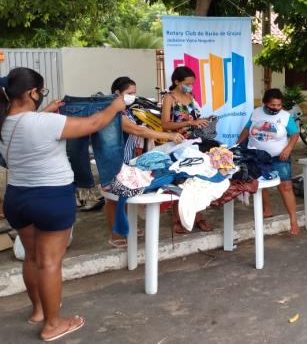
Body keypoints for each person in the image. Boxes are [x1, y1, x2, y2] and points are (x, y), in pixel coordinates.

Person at [0, 67, 125, 341]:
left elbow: (30, 124)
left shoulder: (6, 123)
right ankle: (53, 324)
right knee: (50, 262)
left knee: (33, 258)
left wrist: (49, 109)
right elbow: (93, 125)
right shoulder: (44, 123)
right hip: (51, 199)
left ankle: (38, 312)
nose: (42, 96)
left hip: (17, 198)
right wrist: (114, 107)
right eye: (40, 92)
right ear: (32, 92)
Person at [105, 77, 185, 248]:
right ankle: (115, 233)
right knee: (113, 198)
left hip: (127, 160)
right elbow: (137, 130)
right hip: (113, 161)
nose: (133, 96)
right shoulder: (111, 112)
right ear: (117, 93)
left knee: (125, 193)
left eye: (134, 92)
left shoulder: (127, 110)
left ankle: (127, 226)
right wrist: (169, 136)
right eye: (129, 93)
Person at [237, 88, 300, 235]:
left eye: (279, 105)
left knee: (285, 187)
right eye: (272, 105)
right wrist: (237, 144)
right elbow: (247, 130)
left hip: (279, 156)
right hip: (256, 156)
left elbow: (295, 134)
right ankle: (267, 210)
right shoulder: (256, 112)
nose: (276, 108)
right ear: (265, 103)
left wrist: (288, 149)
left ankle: (293, 220)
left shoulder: (285, 116)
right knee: (261, 185)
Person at [161, 66, 212, 234]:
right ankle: (177, 219)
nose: (190, 86)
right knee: (180, 181)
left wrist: (203, 121)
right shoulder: (170, 98)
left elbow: (195, 119)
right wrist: (190, 123)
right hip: (177, 144)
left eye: (192, 83)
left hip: (195, 142)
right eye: (187, 83)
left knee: (198, 180)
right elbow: (166, 124)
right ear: (177, 82)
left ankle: (198, 217)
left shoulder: (190, 97)